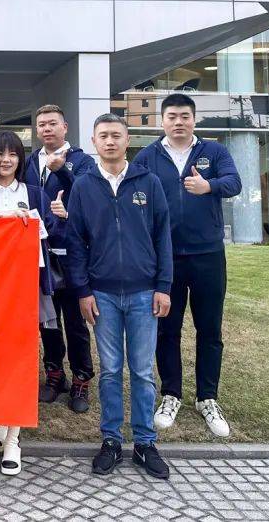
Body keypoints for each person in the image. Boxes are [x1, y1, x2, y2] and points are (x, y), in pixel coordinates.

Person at [64, 114, 173, 481]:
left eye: (116, 135)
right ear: (94, 142)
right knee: (110, 371)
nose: (109, 141)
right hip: (102, 294)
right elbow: (75, 242)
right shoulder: (83, 185)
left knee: (142, 371)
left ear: (127, 141)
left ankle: (144, 442)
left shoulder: (149, 182)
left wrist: (164, 286)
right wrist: (82, 291)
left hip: (144, 293)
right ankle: (111, 440)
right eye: (103, 136)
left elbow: (163, 236)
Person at [134, 93, 242, 438]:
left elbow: (234, 183)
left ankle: (207, 397)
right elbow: (134, 196)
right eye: (172, 116)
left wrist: (209, 185)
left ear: (194, 120)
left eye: (184, 116)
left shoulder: (214, 151)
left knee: (209, 329)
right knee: (167, 329)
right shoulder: (148, 156)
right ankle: (171, 394)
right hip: (166, 257)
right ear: (162, 121)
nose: (178, 122)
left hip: (208, 254)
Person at [0, 130, 65, 477]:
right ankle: (3, 423)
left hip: (27, 282)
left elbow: (49, 230)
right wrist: (0, 223)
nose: (6, 160)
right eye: (0, 154)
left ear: (21, 159)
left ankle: (14, 438)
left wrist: (38, 220)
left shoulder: (34, 192)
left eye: (13, 154)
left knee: (21, 355)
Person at [25, 105, 97, 413]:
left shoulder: (81, 160)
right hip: (41, 253)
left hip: (72, 254)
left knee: (75, 321)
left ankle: (81, 378)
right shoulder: (30, 161)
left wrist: (61, 171)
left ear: (65, 127)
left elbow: (90, 195)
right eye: (41, 124)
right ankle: (54, 375)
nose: (47, 129)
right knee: (48, 320)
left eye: (52, 123)